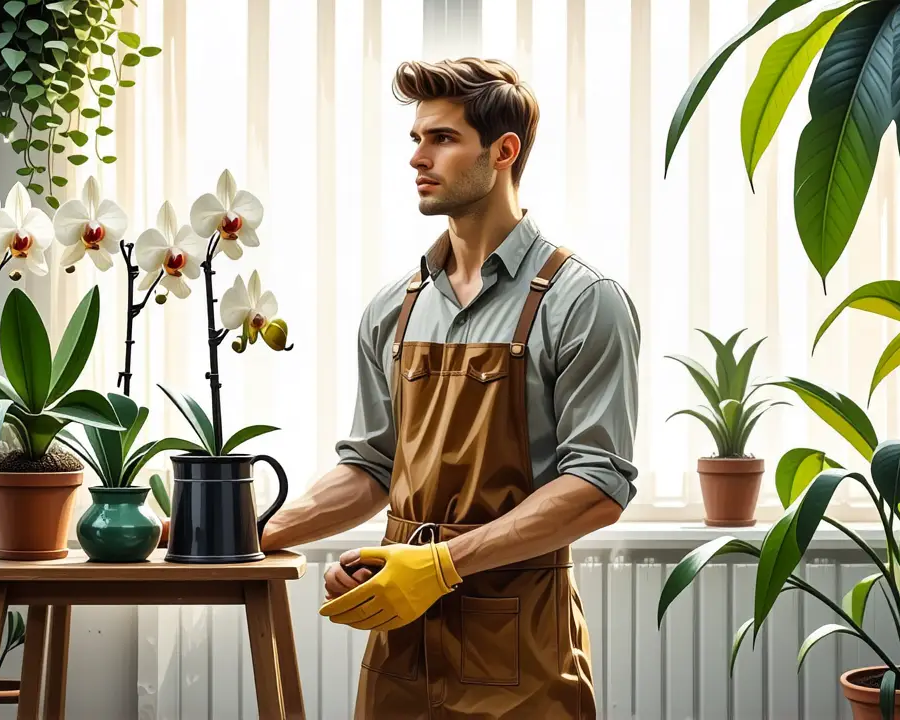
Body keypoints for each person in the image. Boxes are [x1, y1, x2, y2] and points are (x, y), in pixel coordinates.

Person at [259, 57, 640, 719]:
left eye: (442, 138)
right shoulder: (393, 309)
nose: (417, 157)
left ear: (503, 152)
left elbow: (597, 488)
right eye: (416, 138)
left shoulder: (583, 301)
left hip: (521, 650)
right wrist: (249, 532)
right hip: (400, 649)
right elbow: (373, 467)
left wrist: (439, 565)